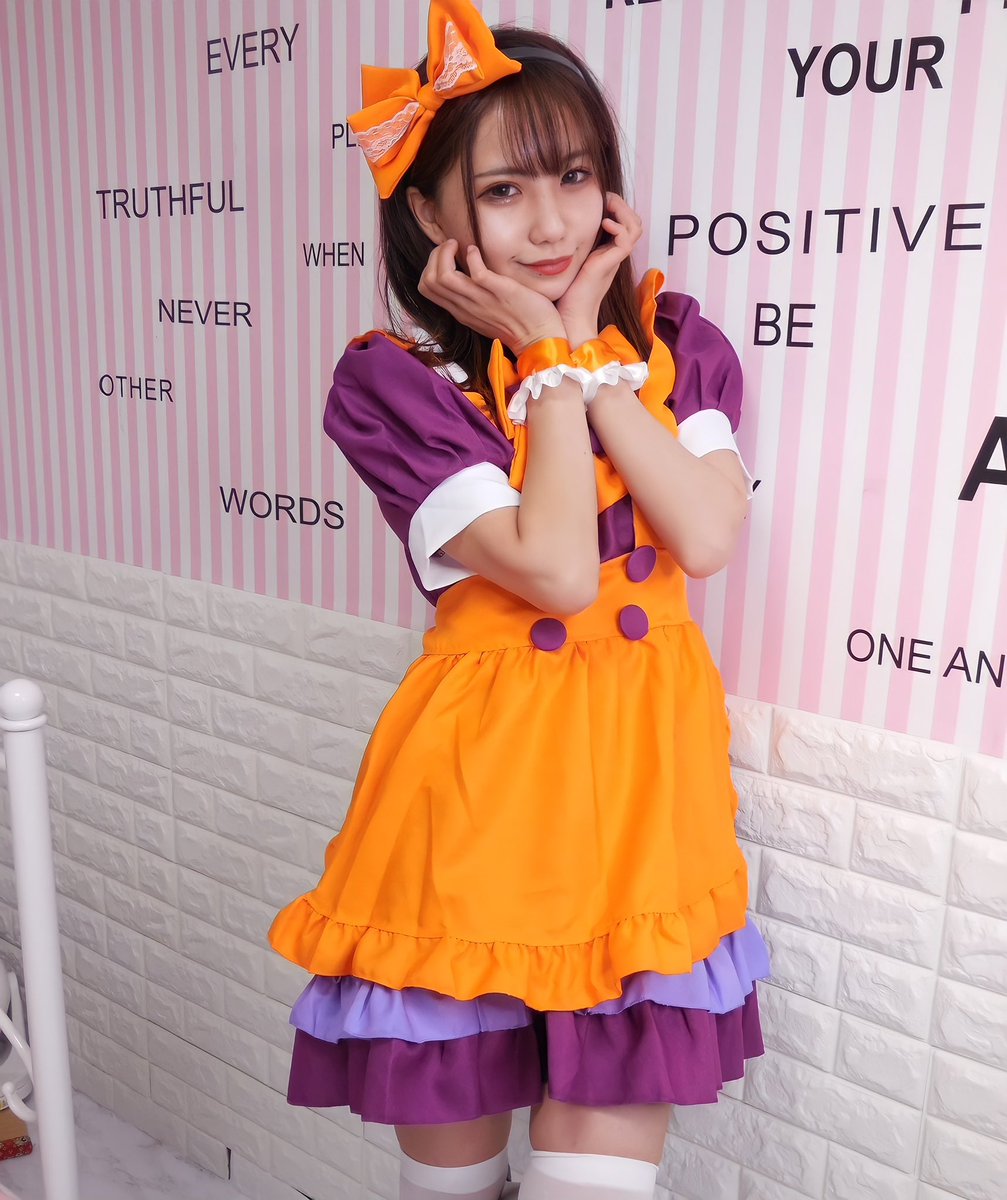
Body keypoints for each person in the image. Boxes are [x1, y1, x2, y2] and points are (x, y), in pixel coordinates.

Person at [268, 2, 771, 1197]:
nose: (550, 223)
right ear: (428, 215)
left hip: (644, 811)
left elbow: (703, 534)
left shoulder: (672, 347)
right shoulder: (397, 384)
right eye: (502, 191)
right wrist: (544, 358)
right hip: (474, 814)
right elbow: (553, 568)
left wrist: (586, 347)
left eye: (574, 176)